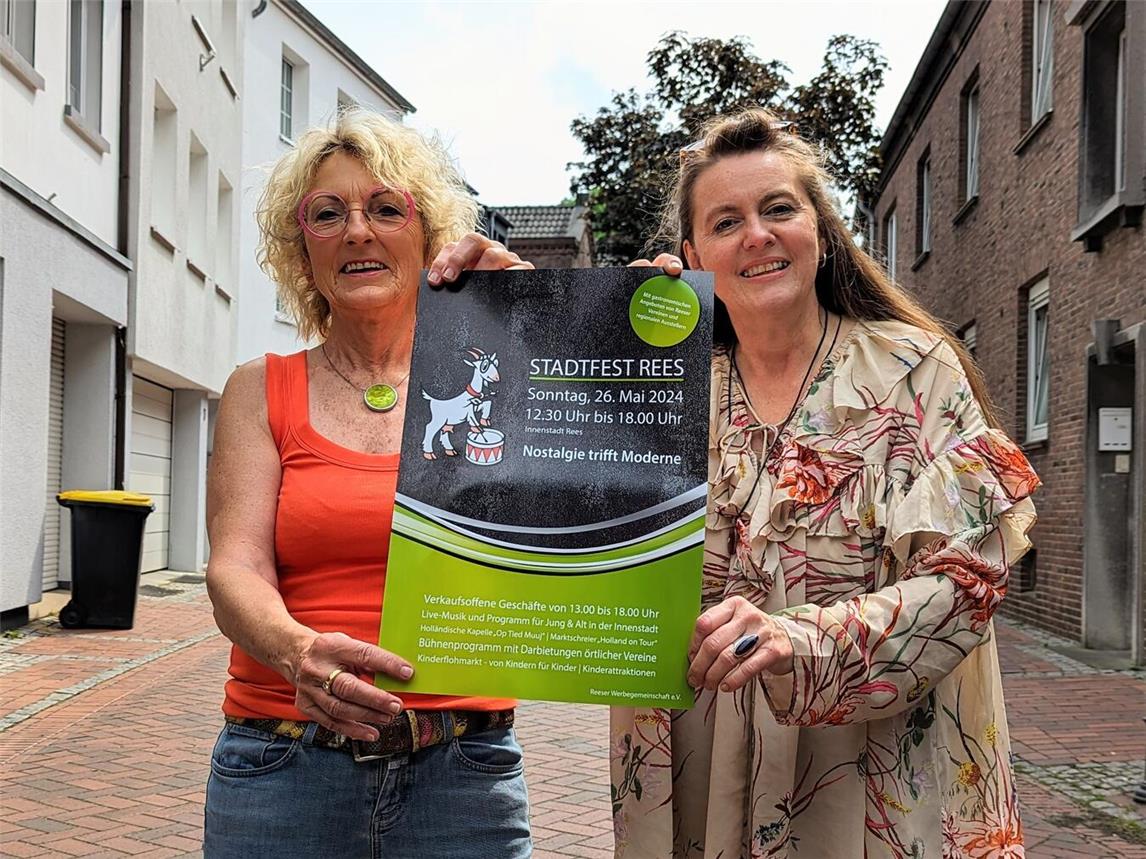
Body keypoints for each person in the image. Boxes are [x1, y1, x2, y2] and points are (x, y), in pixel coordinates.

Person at [616, 108, 1038, 858]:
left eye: (779, 208)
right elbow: (545, 489)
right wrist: (517, 311)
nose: (757, 234)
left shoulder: (913, 371)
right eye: (725, 221)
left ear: (819, 227)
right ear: (691, 252)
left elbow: (974, 574)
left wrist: (799, 638)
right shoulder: (661, 394)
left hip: (873, 791)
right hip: (702, 787)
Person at [203, 109, 534, 858]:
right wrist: (294, 649)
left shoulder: (503, 375)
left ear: (428, 237)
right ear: (303, 249)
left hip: (464, 768)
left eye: (386, 208)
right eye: (328, 214)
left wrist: (561, 323)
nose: (358, 230)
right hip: (281, 762)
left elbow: (606, 480)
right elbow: (236, 565)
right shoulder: (260, 389)